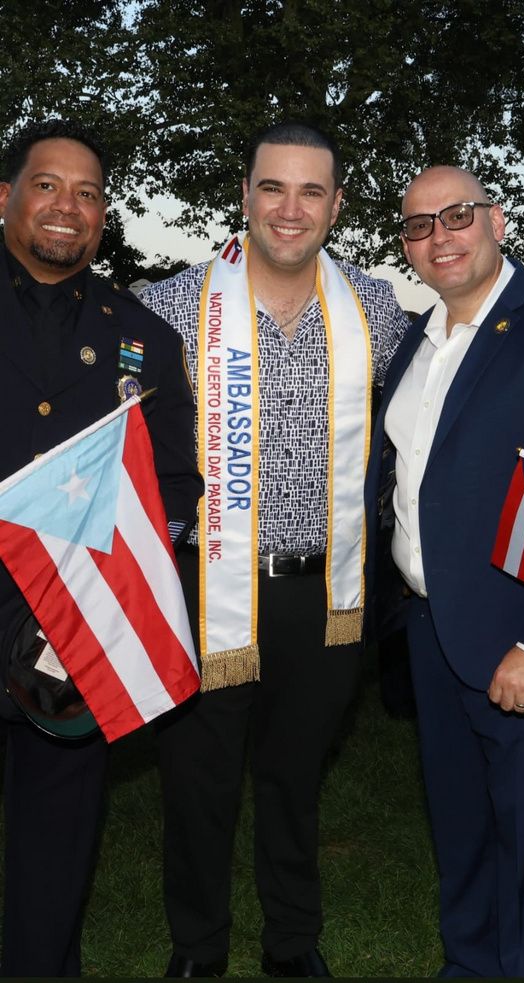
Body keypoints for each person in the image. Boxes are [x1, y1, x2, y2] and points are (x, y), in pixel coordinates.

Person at [141, 120, 410, 978]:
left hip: (324, 593)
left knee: (295, 781)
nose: (289, 209)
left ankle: (293, 942)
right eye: (272, 187)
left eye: (310, 191)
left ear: (335, 204)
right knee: (199, 782)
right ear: (246, 193)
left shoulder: (377, 309)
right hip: (203, 582)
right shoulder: (172, 305)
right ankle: (198, 946)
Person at [365, 165, 524, 978]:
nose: (440, 236)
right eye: (419, 225)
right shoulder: (416, 341)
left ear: (496, 220)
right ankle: (469, 965)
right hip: (433, 631)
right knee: (462, 830)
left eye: (456, 215)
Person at [0, 119, 201, 977]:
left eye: (86, 194)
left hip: (70, 632)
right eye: (46, 184)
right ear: (5, 196)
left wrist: (125, 572)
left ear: (102, 215)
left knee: (54, 851)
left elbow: (179, 484)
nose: (66, 208)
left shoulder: (144, 335)